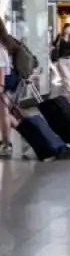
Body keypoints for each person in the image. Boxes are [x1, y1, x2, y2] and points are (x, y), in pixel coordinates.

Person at [0, 17, 17, 157]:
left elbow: (1, 68)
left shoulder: (0, 46)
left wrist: (1, 86)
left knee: (4, 113)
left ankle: (7, 144)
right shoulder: (5, 42)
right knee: (4, 113)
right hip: (5, 81)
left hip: (3, 82)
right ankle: (25, 132)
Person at [52, 22, 70, 98]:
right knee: (67, 76)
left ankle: (66, 92)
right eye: (68, 28)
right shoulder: (59, 37)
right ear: (64, 29)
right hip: (62, 60)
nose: (69, 30)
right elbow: (53, 45)